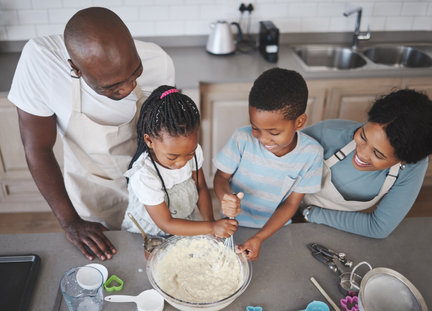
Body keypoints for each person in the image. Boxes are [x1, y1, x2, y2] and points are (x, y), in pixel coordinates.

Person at [8, 7, 175, 261]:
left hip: (149, 190)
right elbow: (37, 149)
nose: (130, 87)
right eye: (113, 87)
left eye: (135, 72)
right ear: (75, 68)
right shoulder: (41, 62)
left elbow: (167, 135)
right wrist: (71, 223)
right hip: (89, 196)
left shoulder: (159, 61)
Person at [296, 89, 432, 238]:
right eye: (363, 136)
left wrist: (310, 214)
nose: (362, 154)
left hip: (325, 226)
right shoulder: (327, 133)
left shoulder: (411, 167)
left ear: (403, 160)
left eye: (378, 154)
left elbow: (378, 227)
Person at [213, 68, 324, 261]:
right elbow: (221, 177)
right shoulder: (242, 138)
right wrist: (225, 197)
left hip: (274, 229)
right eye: (256, 128)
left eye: (273, 133)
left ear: (299, 122)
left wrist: (260, 237)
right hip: (232, 223)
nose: (263, 139)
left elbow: (291, 204)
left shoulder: (312, 154)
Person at [121, 85, 238, 237]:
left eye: (189, 154)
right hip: (149, 234)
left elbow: (201, 187)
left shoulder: (193, 152)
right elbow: (166, 223)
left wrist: (210, 221)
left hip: (182, 225)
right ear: (149, 140)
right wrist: (211, 227)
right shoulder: (144, 175)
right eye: (172, 157)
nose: (182, 162)